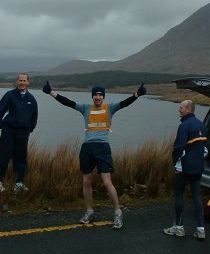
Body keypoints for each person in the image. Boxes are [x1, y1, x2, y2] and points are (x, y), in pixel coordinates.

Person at [43, 81, 146, 229]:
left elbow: (125, 103)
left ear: (103, 97)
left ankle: (117, 212)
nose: (98, 97)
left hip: (102, 148)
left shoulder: (110, 108)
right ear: (92, 97)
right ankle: (89, 211)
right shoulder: (85, 108)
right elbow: (68, 103)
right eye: (95, 95)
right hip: (87, 148)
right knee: (86, 182)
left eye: (100, 95)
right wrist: (51, 93)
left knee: (106, 182)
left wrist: (137, 95)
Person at [163, 99, 208, 240]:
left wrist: (175, 162)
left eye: (181, 108)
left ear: (189, 109)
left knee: (178, 195)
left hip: (183, 169)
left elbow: (179, 148)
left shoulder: (184, 126)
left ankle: (179, 228)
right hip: (198, 168)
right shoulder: (202, 125)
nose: (179, 110)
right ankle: (201, 230)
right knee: (196, 197)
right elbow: (206, 149)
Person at [0, 73, 38, 192]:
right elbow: (0, 110)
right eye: (20, 80)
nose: (22, 83)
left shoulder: (31, 99)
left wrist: (30, 128)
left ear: (28, 82)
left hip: (23, 133)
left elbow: (34, 116)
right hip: (9, 131)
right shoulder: (9, 95)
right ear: (17, 82)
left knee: (21, 159)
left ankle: (19, 183)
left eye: (24, 81)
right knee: (4, 156)